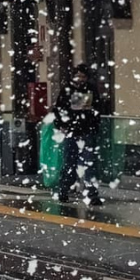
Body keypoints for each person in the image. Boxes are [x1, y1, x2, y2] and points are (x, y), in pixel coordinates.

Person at [52, 63, 103, 205]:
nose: (80, 79)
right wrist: (62, 125)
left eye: (83, 76)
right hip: (72, 132)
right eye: (78, 75)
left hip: (86, 131)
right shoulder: (67, 90)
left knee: (88, 164)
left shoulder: (91, 89)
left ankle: (92, 194)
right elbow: (59, 109)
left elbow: (98, 108)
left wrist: (93, 124)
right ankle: (64, 190)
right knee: (70, 162)